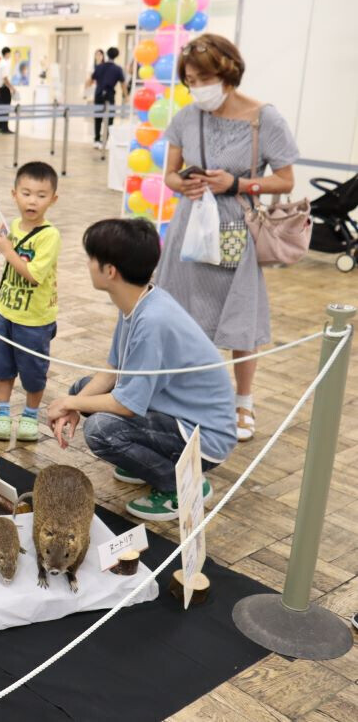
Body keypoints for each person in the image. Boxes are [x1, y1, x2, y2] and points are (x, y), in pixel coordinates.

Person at [155, 33, 299, 442]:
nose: (197, 87)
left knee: (239, 315)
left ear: (227, 71)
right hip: (190, 228)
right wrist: (181, 185)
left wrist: (237, 183)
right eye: (190, 80)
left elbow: (286, 179)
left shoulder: (263, 118)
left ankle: (243, 402)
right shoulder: (186, 117)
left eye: (203, 77)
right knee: (182, 312)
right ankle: (187, 395)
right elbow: (168, 174)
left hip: (237, 227)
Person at [48, 218, 237, 521]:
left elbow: (125, 404)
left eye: (91, 258)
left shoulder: (152, 321)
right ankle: (150, 461)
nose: (87, 264)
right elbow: (112, 371)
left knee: (100, 432)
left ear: (110, 271)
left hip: (204, 437)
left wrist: (69, 404)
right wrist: (74, 401)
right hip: (175, 414)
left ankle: (182, 486)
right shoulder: (139, 302)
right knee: (81, 388)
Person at [0, 161, 61, 442]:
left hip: (35, 320)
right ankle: (2, 413)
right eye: (26, 193)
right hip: (5, 311)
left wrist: (6, 249)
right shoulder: (14, 225)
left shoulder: (50, 236)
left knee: (33, 372)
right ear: (14, 194)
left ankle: (30, 414)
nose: (33, 200)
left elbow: (32, 275)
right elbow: (5, 246)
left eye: (41, 195)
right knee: (2, 367)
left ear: (53, 200)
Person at [87, 46, 126, 149]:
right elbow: (123, 84)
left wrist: (87, 89)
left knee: (98, 118)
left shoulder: (99, 67)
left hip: (98, 94)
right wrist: (126, 96)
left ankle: (96, 140)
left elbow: (90, 81)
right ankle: (106, 141)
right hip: (109, 95)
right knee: (109, 119)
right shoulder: (118, 69)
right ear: (116, 56)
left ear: (106, 54)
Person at [0, 47, 15, 134]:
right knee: (5, 108)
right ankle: (4, 128)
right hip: (4, 88)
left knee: (0, 108)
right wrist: (12, 87)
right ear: (7, 53)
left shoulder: (0, 63)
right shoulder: (4, 64)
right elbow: (5, 78)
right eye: (9, 53)